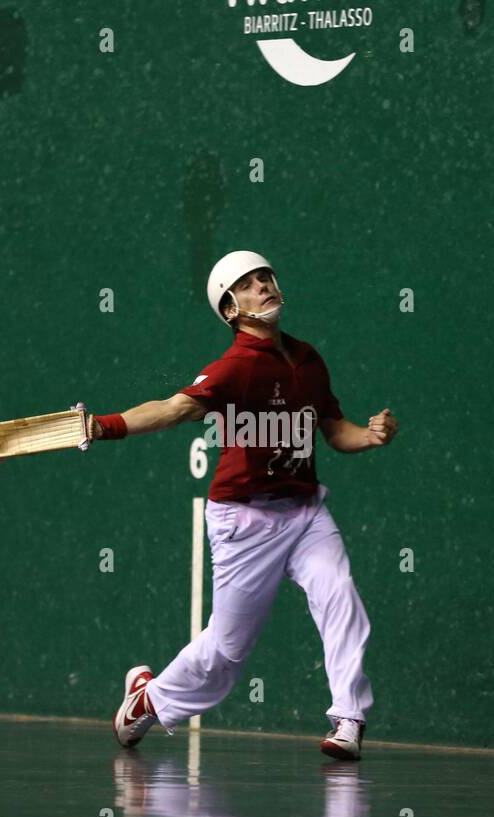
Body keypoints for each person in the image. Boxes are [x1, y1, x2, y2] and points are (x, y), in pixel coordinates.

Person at [92, 251, 398, 760]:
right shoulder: (235, 368)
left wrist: (370, 435)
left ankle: (349, 718)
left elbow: (335, 431)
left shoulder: (308, 360)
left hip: (304, 512)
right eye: (250, 284)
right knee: (227, 654)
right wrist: (106, 425)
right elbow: (173, 409)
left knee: (339, 592)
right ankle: (147, 701)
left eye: (266, 277)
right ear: (232, 310)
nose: (264, 286)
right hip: (244, 519)